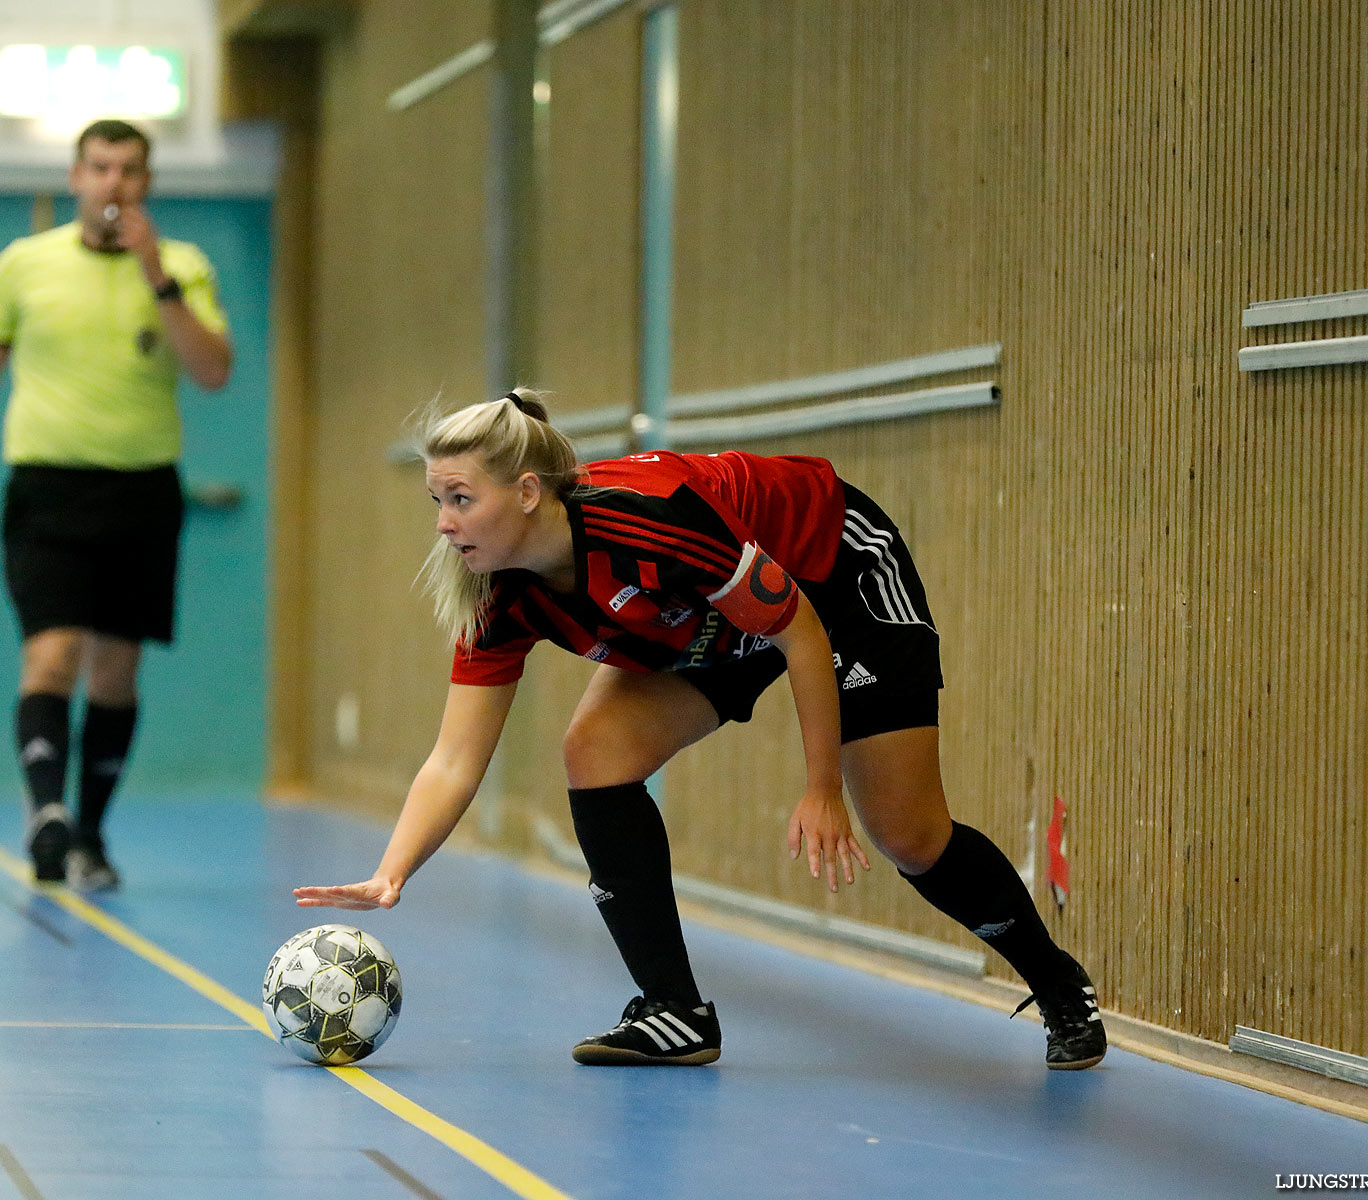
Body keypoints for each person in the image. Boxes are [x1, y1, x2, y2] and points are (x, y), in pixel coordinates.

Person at [295, 390, 1106, 1070]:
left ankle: (1059, 983)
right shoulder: (499, 599)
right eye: (436, 500)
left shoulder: (651, 519)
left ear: (531, 492)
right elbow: (453, 759)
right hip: (706, 625)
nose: (443, 522)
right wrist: (391, 873)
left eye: (460, 499)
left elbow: (800, 633)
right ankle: (674, 1012)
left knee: (908, 833)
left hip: (833, 582)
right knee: (596, 751)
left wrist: (822, 786)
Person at [0, 118, 234, 890]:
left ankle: (91, 835)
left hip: (141, 492)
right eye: (99, 168)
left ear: (147, 184)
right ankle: (46, 816)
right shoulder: (22, 266)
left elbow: (213, 371)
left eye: (129, 170)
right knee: (51, 654)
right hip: (47, 490)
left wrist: (156, 276)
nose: (113, 185)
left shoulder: (183, 268)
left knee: (115, 674)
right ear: (75, 177)